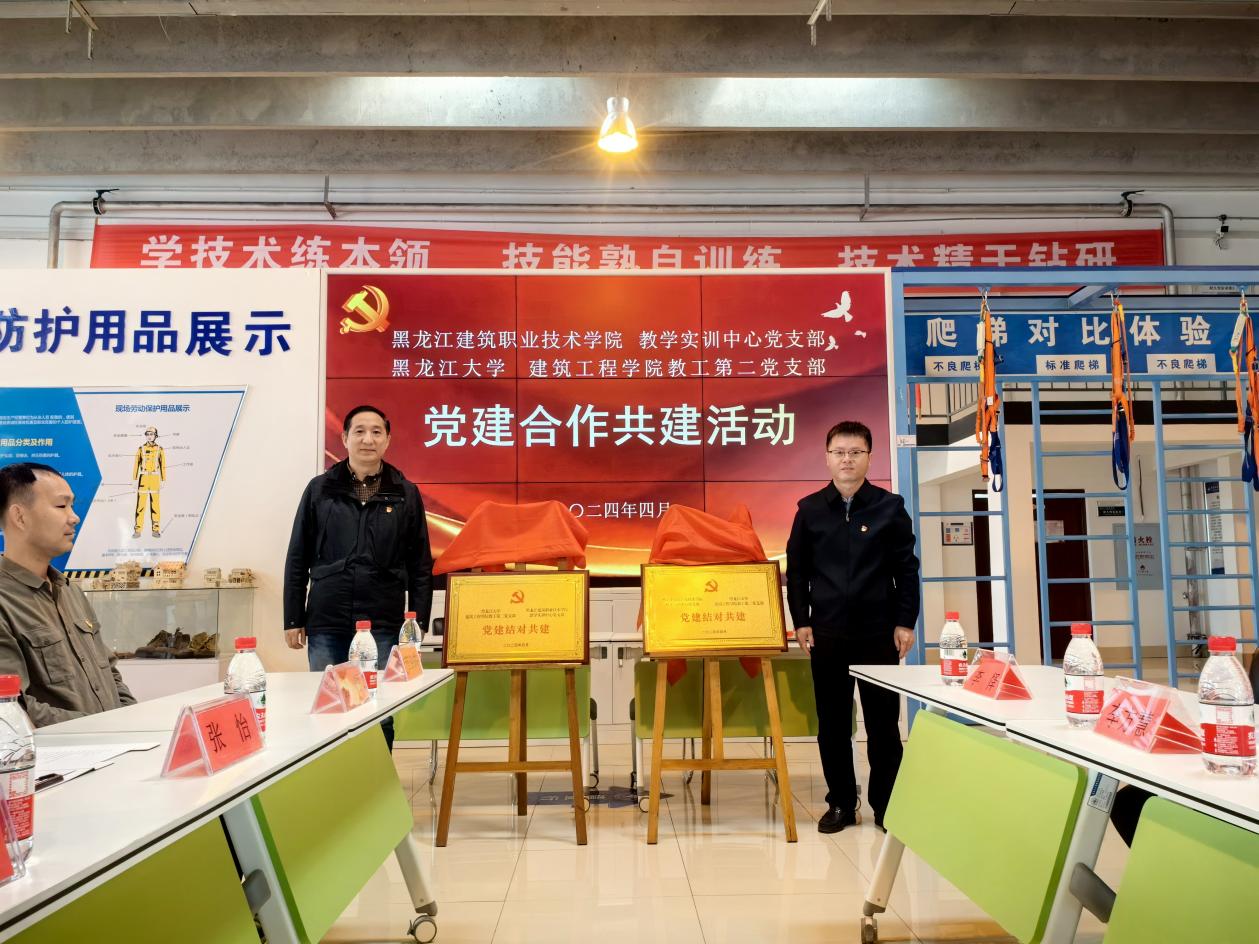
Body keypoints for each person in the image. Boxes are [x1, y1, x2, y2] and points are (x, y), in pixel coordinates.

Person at [786, 420, 920, 833]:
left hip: (878, 633)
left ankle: (887, 805)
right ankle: (842, 803)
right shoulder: (809, 510)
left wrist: (905, 621)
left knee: (883, 725)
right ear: (827, 458)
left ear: (869, 458)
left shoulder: (889, 507)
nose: (847, 459)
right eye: (839, 452)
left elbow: (906, 569)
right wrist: (801, 620)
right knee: (832, 724)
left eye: (855, 452)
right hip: (826, 633)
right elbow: (798, 572)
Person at [283, 405, 433, 749]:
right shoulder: (320, 490)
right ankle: (334, 776)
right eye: (360, 431)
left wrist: (417, 625)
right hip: (327, 619)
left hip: (383, 619)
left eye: (376, 432)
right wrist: (293, 618)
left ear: (388, 440)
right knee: (330, 704)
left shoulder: (405, 492)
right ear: (345, 438)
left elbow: (420, 564)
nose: (368, 439)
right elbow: (297, 556)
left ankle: (378, 778)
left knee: (380, 707)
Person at [0, 462, 136, 726]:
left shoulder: (69, 590)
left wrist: (131, 722)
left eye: (72, 506)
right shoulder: (5, 601)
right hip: (60, 752)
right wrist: (101, 728)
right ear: (20, 517)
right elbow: (13, 709)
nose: (74, 517)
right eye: (61, 506)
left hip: (112, 745)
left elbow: (110, 675)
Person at [132, 425, 166, 538]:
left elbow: (163, 466)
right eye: (147, 434)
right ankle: (137, 530)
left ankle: (155, 530)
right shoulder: (140, 449)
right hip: (143, 479)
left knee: (155, 506)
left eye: (151, 434)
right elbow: (136, 465)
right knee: (140, 506)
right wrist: (134, 479)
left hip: (155, 479)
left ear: (155, 436)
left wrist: (163, 480)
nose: (149, 436)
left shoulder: (160, 449)